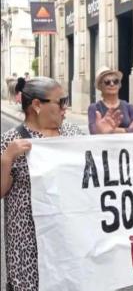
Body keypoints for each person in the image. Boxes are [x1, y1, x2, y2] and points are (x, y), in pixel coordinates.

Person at [0, 77, 118, 289]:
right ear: (37, 105)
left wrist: (100, 139)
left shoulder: (72, 133)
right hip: (29, 245)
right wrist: (7, 159)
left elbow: (94, 176)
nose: (66, 108)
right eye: (61, 102)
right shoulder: (11, 141)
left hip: (69, 238)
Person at [88, 67, 133, 134]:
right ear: (100, 86)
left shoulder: (129, 107)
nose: (112, 84)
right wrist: (128, 130)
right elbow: (93, 131)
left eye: (115, 81)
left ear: (119, 85)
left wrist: (112, 131)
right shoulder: (94, 108)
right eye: (107, 82)